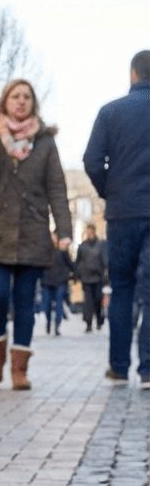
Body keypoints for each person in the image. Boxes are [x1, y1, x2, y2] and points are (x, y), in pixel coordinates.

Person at [0, 79, 71, 390]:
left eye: (27, 97)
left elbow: (57, 188)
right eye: (16, 96)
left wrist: (64, 231)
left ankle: (19, 369)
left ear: (33, 103)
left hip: (33, 232)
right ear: (5, 101)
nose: (21, 101)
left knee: (26, 302)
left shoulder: (45, 142)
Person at [82, 51, 150, 387]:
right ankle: (149, 369)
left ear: (133, 74)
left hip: (123, 212)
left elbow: (92, 161)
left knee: (121, 288)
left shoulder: (110, 111)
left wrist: (111, 191)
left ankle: (119, 367)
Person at [74, 224, 107, 333]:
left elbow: (105, 259)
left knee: (98, 300)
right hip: (86, 278)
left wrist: (106, 273)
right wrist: (76, 274)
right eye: (88, 231)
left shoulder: (101, 244)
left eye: (91, 230)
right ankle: (88, 324)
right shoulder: (82, 246)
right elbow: (78, 261)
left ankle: (99, 319)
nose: (90, 232)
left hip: (98, 277)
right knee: (88, 302)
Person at [41, 238, 74, 336]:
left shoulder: (63, 253)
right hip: (47, 282)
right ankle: (48, 322)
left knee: (59, 304)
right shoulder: (45, 253)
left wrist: (72, 275)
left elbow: (71, 265)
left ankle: (57, 326)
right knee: (47, 305)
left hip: (60, 282)